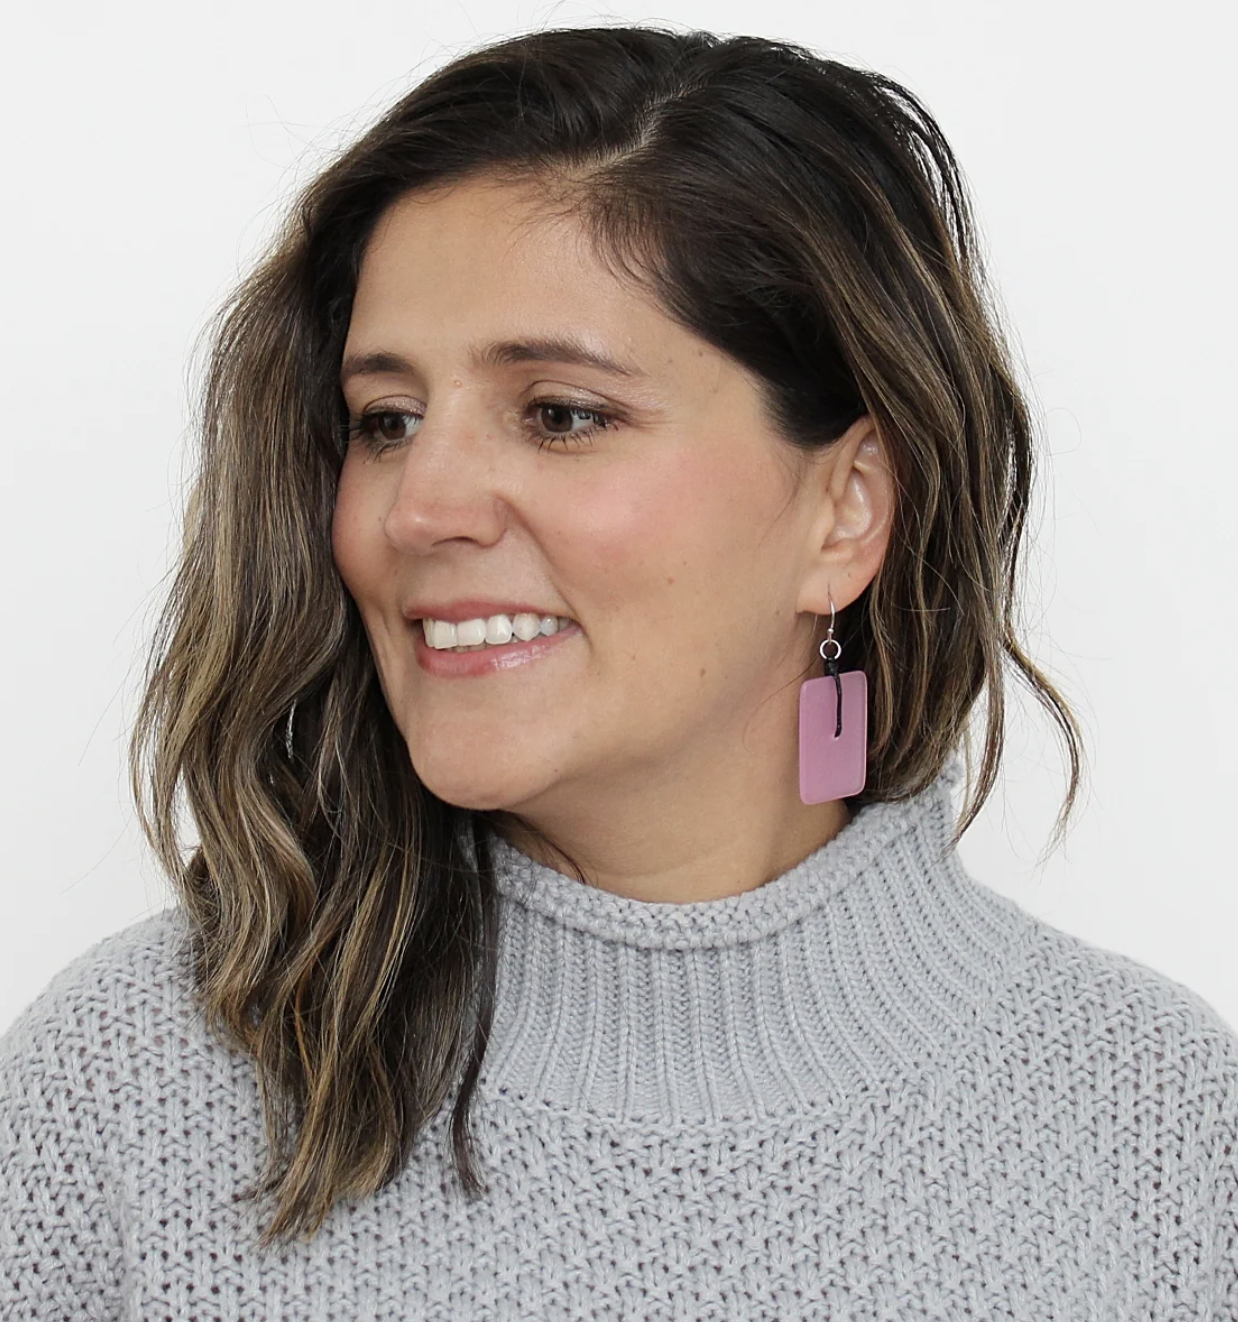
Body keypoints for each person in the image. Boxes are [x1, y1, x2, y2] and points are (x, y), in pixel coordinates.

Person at [2, 23, 1235, 1320]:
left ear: (846, 511)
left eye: (560, 414)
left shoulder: (1163, 1133)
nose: (418, 507)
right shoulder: (124, 1093)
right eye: (386, 420)